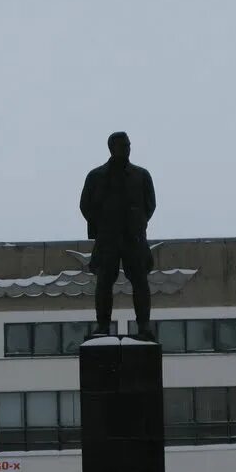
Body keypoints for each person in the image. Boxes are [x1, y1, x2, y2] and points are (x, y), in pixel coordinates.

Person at [79, 131, 156, 338]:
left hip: (134, 237)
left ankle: (144, 326)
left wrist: (136, 223)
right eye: (123, 145)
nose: (127, 149)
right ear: (112, 148)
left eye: (129, 145)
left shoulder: (141, 175)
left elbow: (150, 205)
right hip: (107, 239)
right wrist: (103, 225)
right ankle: (103, 326)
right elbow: (85, 205)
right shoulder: (96, 176)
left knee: (140, 280)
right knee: (104, 281)